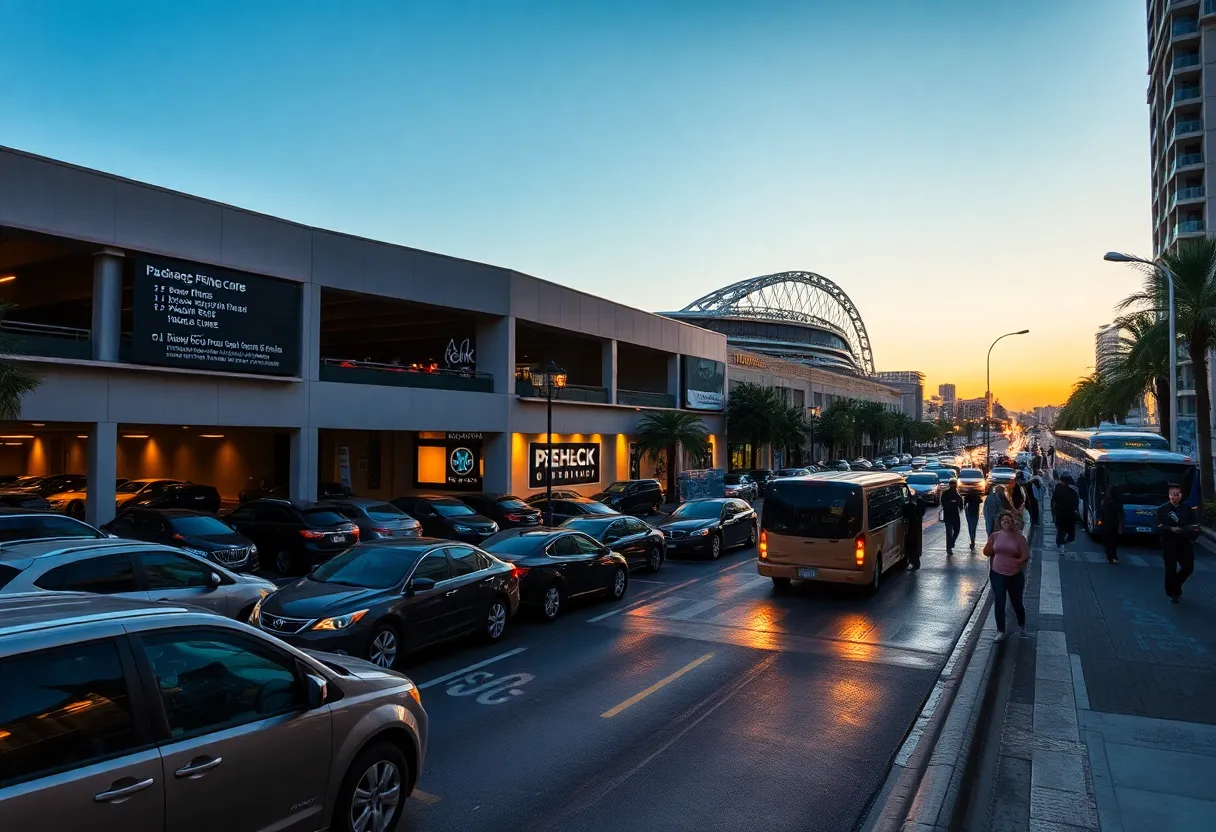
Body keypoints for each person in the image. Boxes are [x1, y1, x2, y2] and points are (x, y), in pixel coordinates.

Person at [984, 510, 1030, 642]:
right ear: (1000, 522)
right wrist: (990, 545)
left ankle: (1021, 626)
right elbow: (987, 552)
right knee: (999, 600)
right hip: (997, 573)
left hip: (1014, 575)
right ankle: (1000, 630)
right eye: (1003, 521)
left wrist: (1018, 562)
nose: (1006, 522)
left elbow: (1025, 555)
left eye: (1008, 521)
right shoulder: (995, 536)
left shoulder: (1019, 537)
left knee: (1017, 602)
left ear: (1012, 523)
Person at [1156, 482, 1199, 603]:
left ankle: (1177, 584)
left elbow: (1194, 525)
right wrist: (1170, 529)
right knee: (1170, 568)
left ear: (1181, 495)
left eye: (1176, 494)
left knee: (1188, 568)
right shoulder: (1162, 510)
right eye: (1171, 494)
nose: (1173, 497)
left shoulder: (1187, 509)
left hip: (1185, 542)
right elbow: (1157, 526)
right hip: (1169, 543)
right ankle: (1172, 592)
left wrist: (1186, 531)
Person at [1051, 474, 1079, 549]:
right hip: (1070, 513)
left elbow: (1054, 503)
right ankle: (1066, 541)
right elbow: (1076, 504)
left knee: (1060, 529)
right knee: (1070, 530)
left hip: (1060, 513)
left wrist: (1053, 513)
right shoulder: (1073, 492)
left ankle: (1060, 544)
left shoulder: (1057, 491)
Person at [941, 478, 963, 555]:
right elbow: (960, 505)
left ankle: (949, 547)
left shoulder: (946, 493)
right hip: (953, 516)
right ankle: (951, 545)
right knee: (955, 531)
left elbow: (942, 503)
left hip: (948, 516)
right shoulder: (956, 494)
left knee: (950, 533)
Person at [904, 493, 925, 570]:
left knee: (912, 546)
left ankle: (915, 563)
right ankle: (915, 563)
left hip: (912, 528)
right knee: (914, 546)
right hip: (915, 528)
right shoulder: (918, 503)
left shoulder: (911, 506)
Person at [1100, 486, 1122, 564]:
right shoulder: (1105, 501)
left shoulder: (1116, 502)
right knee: (1109, 541)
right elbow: (1102, 513)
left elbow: (1120, 516)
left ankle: (1112, 556)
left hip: (1114, 525)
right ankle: (1110, 556)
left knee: (1113, 541)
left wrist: (1120, 527)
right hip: (1107, 524)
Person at [963, 486, 983, 550]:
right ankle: (973, 541)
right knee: (974, 528)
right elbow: (981, 501)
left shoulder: (967, 497)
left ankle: (972, 541)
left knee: (970, 527)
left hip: (969, 513)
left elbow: (964, 506)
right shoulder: (977, 497)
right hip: (975, 513)